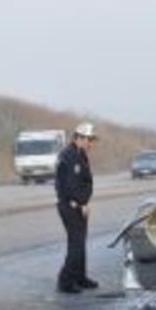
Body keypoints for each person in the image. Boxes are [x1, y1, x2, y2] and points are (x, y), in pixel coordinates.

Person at [54, 122, 99, 294]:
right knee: (76, 244)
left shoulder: (80, 154)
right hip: (71, 206)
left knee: (80, 242)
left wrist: (85, 202)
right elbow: (71, 186)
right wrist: (80, 203)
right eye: (89, 139)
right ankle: (65, 281)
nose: (91, 143)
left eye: (92, 140)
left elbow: (85, 181)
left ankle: (80, 277)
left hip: (79, 205)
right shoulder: (70, 156)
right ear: (79, 138)